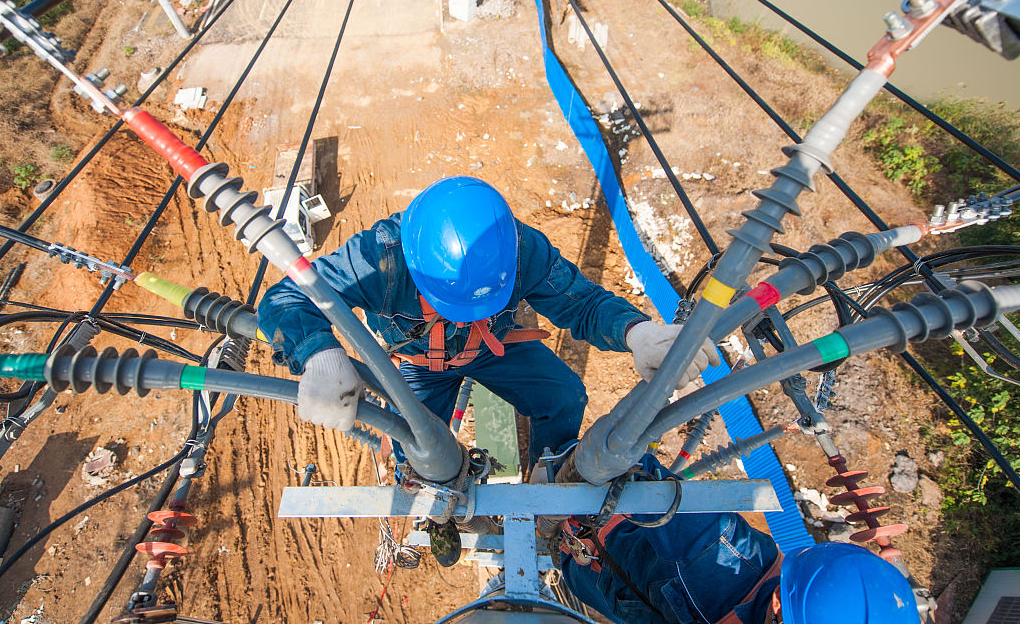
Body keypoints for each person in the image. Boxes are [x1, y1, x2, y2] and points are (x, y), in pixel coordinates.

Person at [256, 175, 717, 466]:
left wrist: (638, 332)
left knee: (565, 396)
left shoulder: (520, 246)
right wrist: (318, 350)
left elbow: (581, 303)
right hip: (420, 362)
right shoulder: (379, 255)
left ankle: (550, 478)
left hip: (497, 345)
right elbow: (287, 296)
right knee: (416, 447)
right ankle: (430, 489)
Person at [554, 456, 921, 624]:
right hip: (584, 548)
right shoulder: (716, 549)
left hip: (615, 595)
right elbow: (629, 469)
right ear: (778, 603)